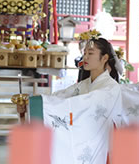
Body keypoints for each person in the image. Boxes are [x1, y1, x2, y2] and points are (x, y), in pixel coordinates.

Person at [37, 31, 122, 164]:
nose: (85, 57)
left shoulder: (111, 88)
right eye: (85, 53)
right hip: (81, 140)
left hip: (102, 145)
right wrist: (36, 102)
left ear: (104, 58)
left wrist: (45, 104)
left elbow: (85, 103)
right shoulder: (83, 85)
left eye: (91, 53)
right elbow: (61, 96)